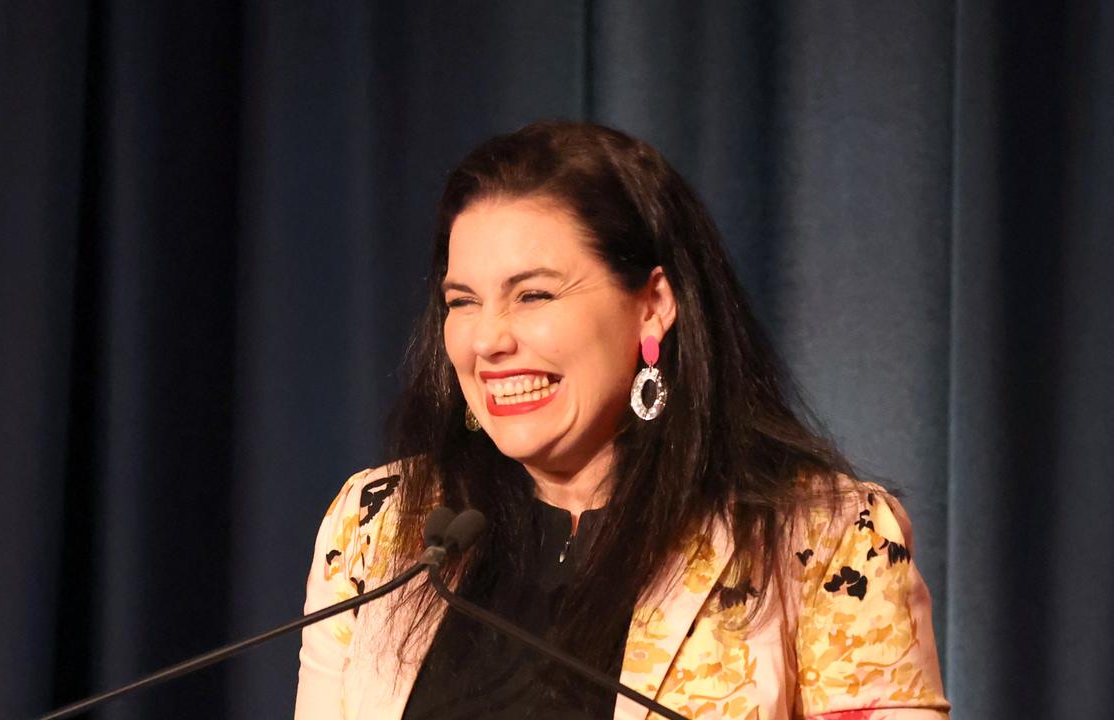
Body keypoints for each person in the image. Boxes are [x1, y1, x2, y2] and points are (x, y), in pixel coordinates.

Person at [295, 121, 950, 719]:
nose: (487, 339)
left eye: (534, 294)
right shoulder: (377, 528)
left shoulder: (824, 538)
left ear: (652, 307)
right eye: (463, 300)